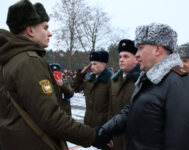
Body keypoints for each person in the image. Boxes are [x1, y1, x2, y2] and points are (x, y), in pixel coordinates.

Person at [0, 1, 111, 149]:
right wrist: (92, 136)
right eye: (45, 28)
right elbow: (51, 118)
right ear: (30, 31)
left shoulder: (10, 60)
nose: (50, 33)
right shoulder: (29, 62)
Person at [93, 23, 189, 150]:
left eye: (140, 48)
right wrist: (104, 131)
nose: (137, 54)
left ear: (157, 49)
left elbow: (182, 142)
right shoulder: (149, 78)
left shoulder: (183, 83)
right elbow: (132, 112)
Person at [107, 39, 140, 150]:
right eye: (120, 57)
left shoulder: (141, 81)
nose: (121, 60)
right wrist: (108, 134)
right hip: (116, 139)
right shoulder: (114, 81)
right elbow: (110, 110)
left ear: (137, 59)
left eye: (126, 57)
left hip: (134, 139)